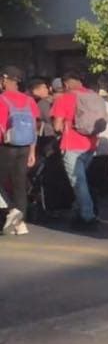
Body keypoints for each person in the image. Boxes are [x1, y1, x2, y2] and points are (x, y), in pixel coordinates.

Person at [50, 71, 103, 231]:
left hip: (71, 145)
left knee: (78, 182)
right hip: (91, 144)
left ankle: (88, 215)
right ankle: (79, 211)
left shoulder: (64, 98)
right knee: (82, 181)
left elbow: (57, 126)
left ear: (65, 84)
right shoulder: (94, 97)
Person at [0, 66, 40, 236]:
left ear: (4, 80)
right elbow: (34, 128)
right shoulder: (29, 100)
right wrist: (32, 152)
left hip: (5, 147)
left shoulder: (2, 99)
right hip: (25, 146)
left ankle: (11, 209)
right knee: (19, 184)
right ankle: (21, 224)